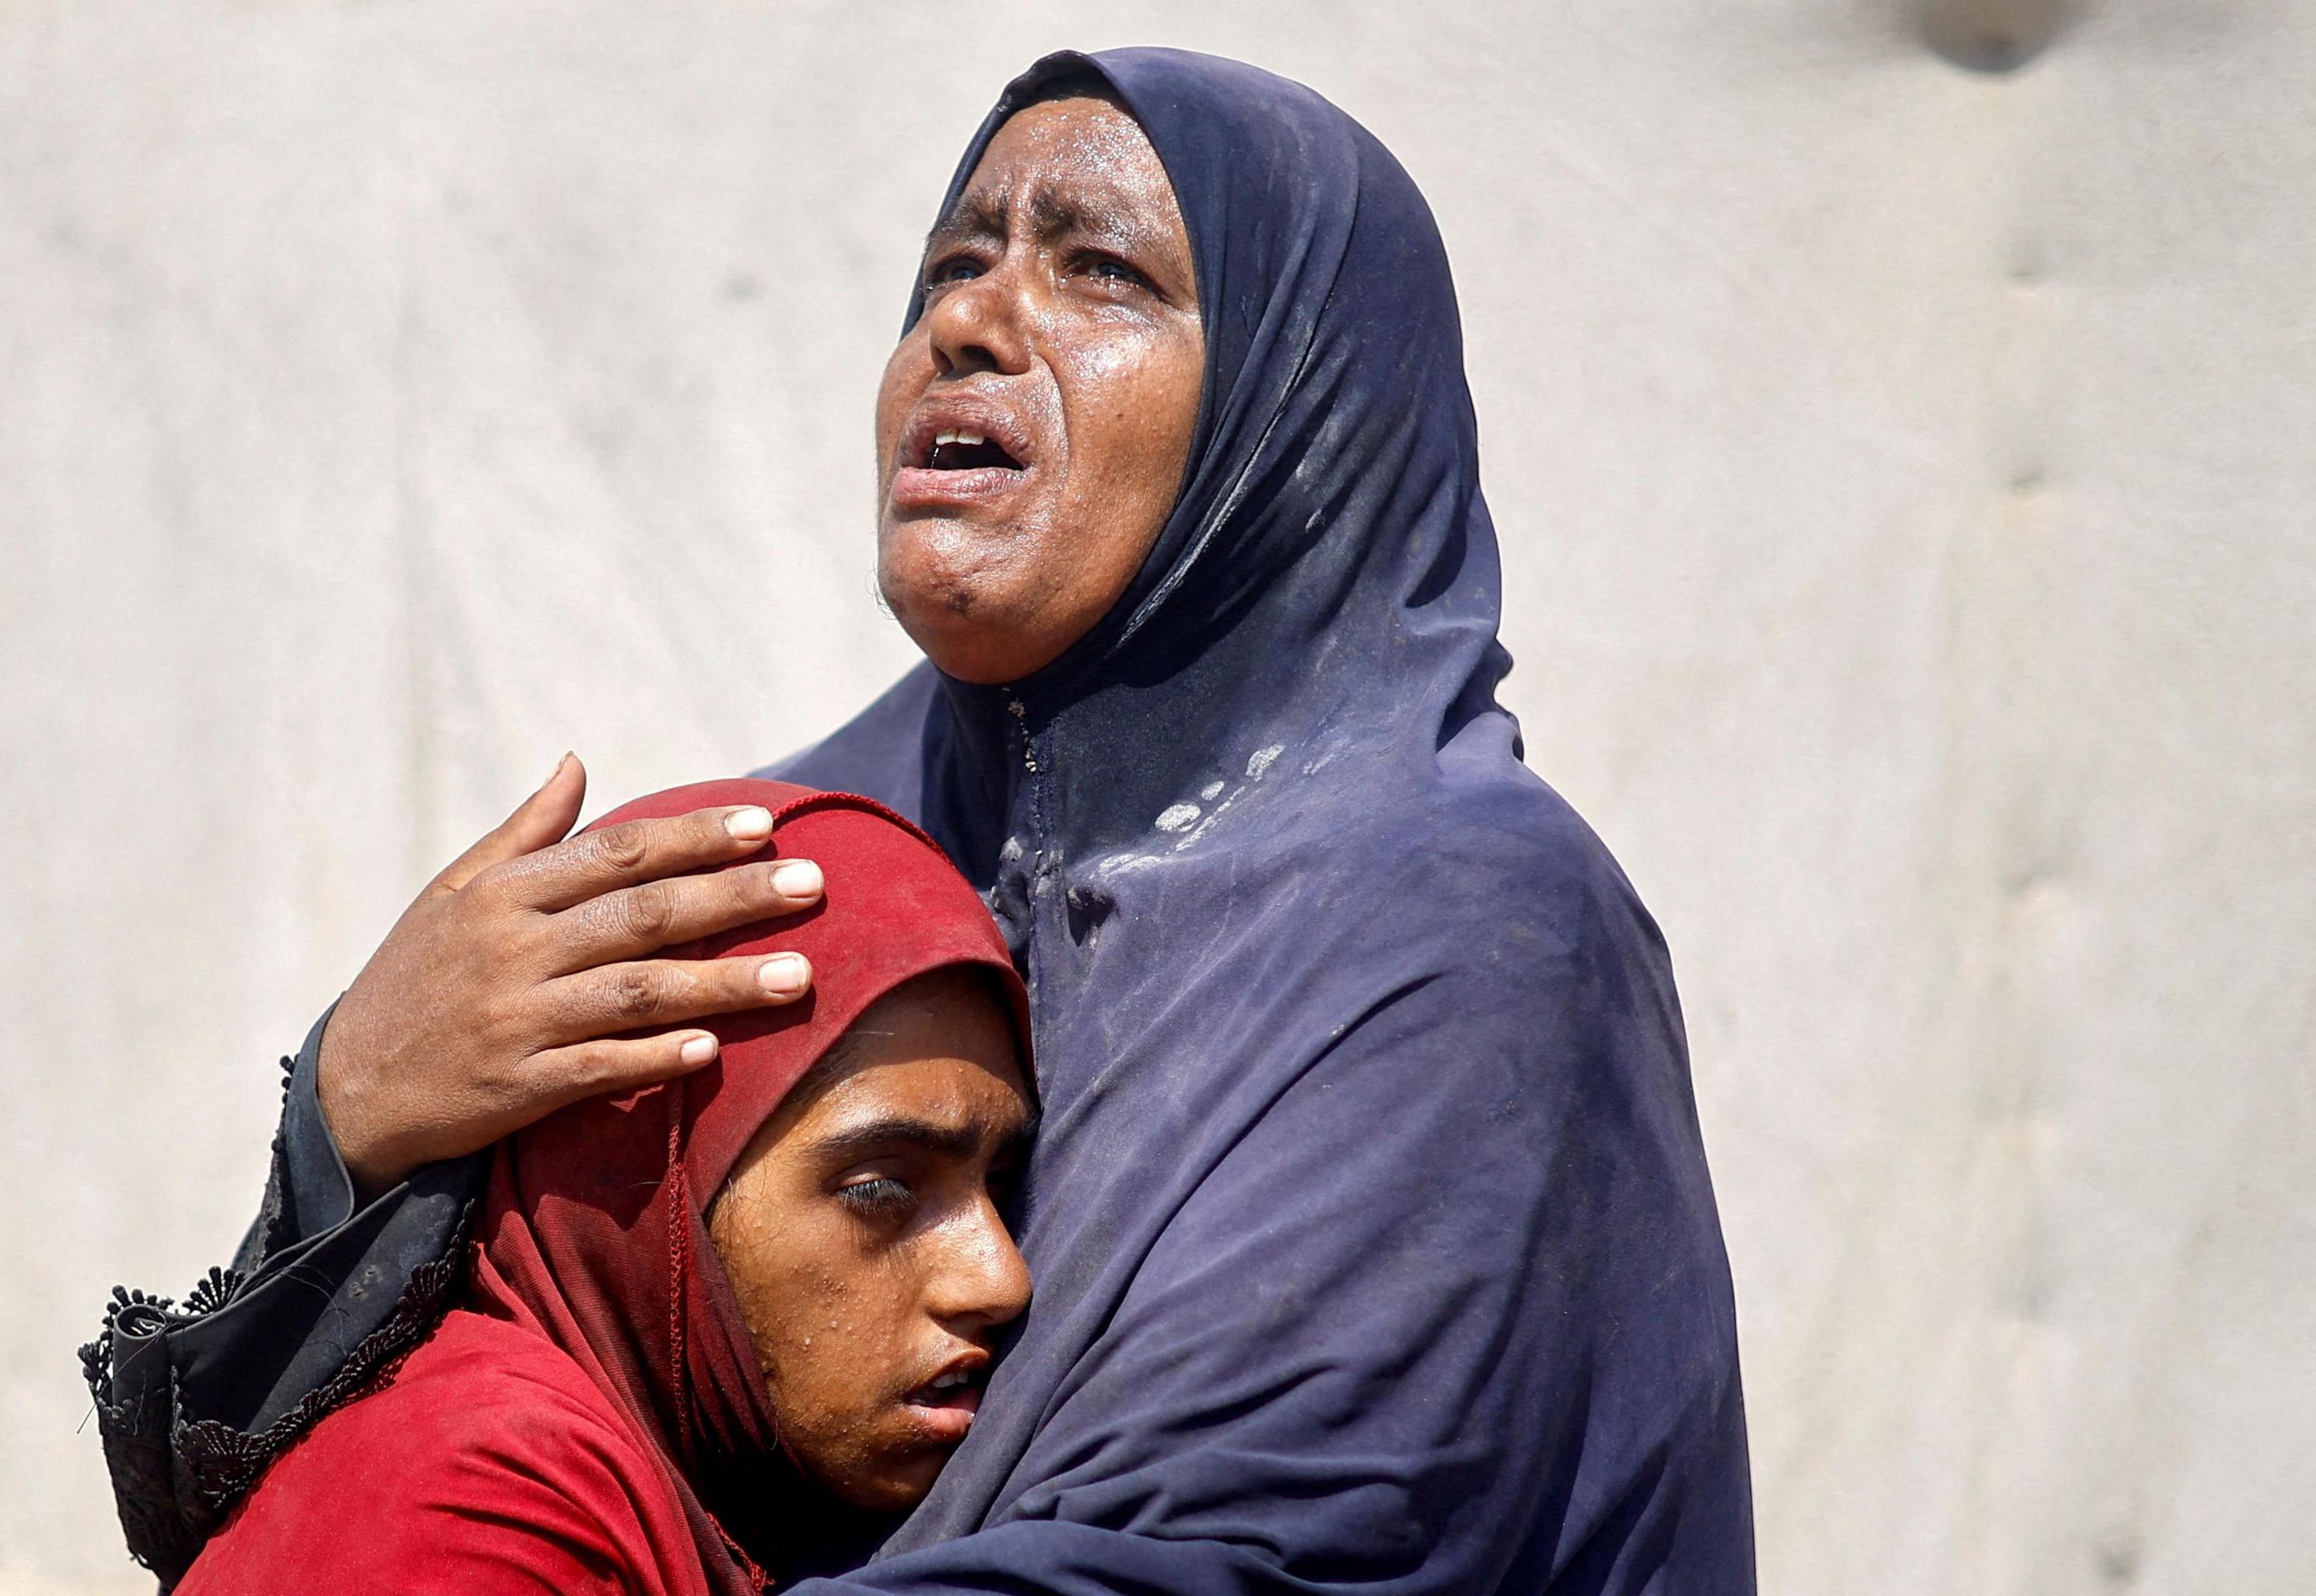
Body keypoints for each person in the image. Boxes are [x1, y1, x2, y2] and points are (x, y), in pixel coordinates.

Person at [86, 47, 1756, 1595]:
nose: (975, 320)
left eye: (1097, 268)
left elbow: (1255, 1550)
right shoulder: (807, 869)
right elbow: (368, 1483)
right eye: (951, 267)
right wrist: (357, 1129)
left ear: (1297, 416)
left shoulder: (1458, 941)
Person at [173, 782, 1034, 1595]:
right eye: (881, 1189)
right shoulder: (482, 1503)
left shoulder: (702, 1494)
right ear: (643, 1192)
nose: (1001, 1279)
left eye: (1002, 1181)